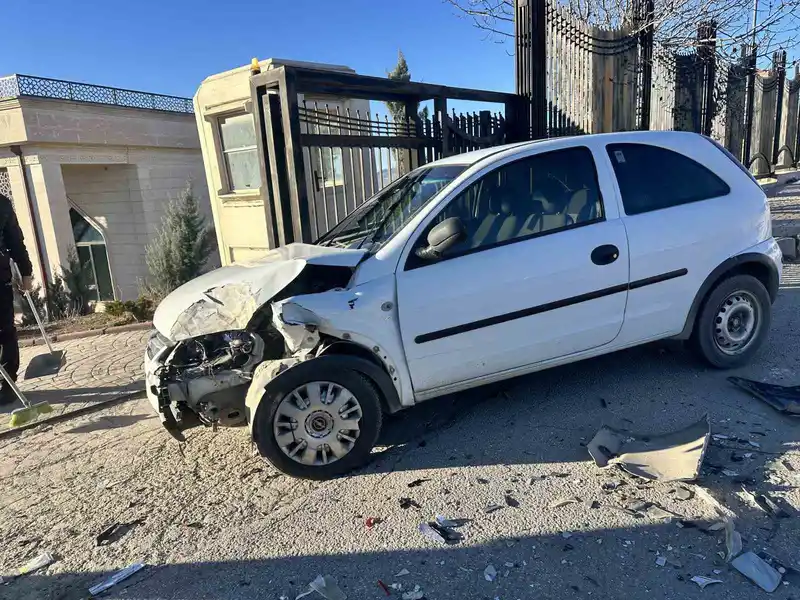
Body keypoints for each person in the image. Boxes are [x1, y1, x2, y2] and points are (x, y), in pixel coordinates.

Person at [0, 191, 33, 405]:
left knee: (4, 332)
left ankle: (7, 386)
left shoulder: (1, 204)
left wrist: (26, 272)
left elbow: (15, 241)